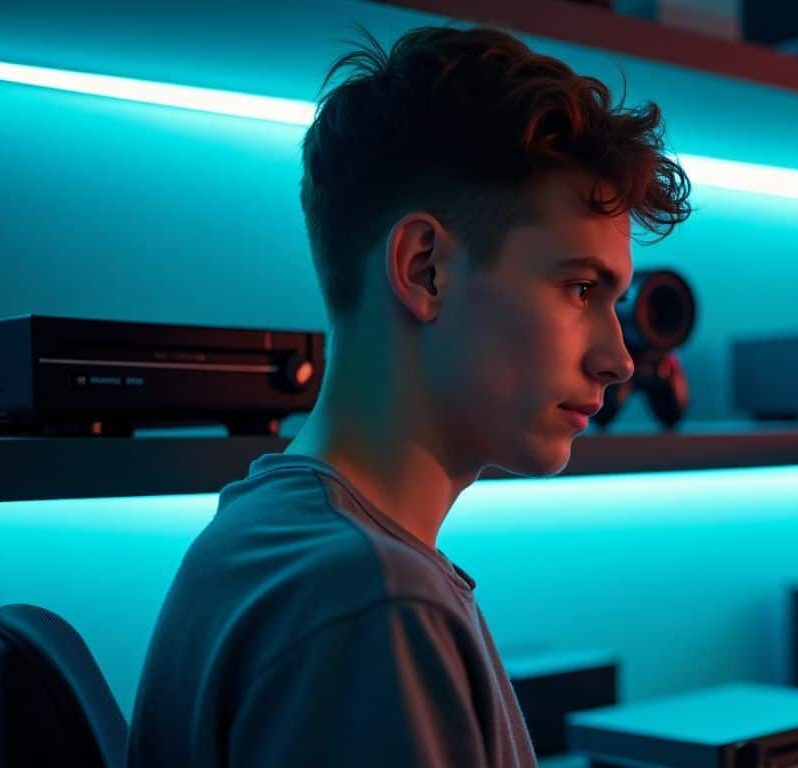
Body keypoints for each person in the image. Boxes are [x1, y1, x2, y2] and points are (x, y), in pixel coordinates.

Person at [126, 24, 690, 767]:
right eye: (580, 288)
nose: (618, 359)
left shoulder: (262, 534)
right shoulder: (376, 607)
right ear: (425, 270)